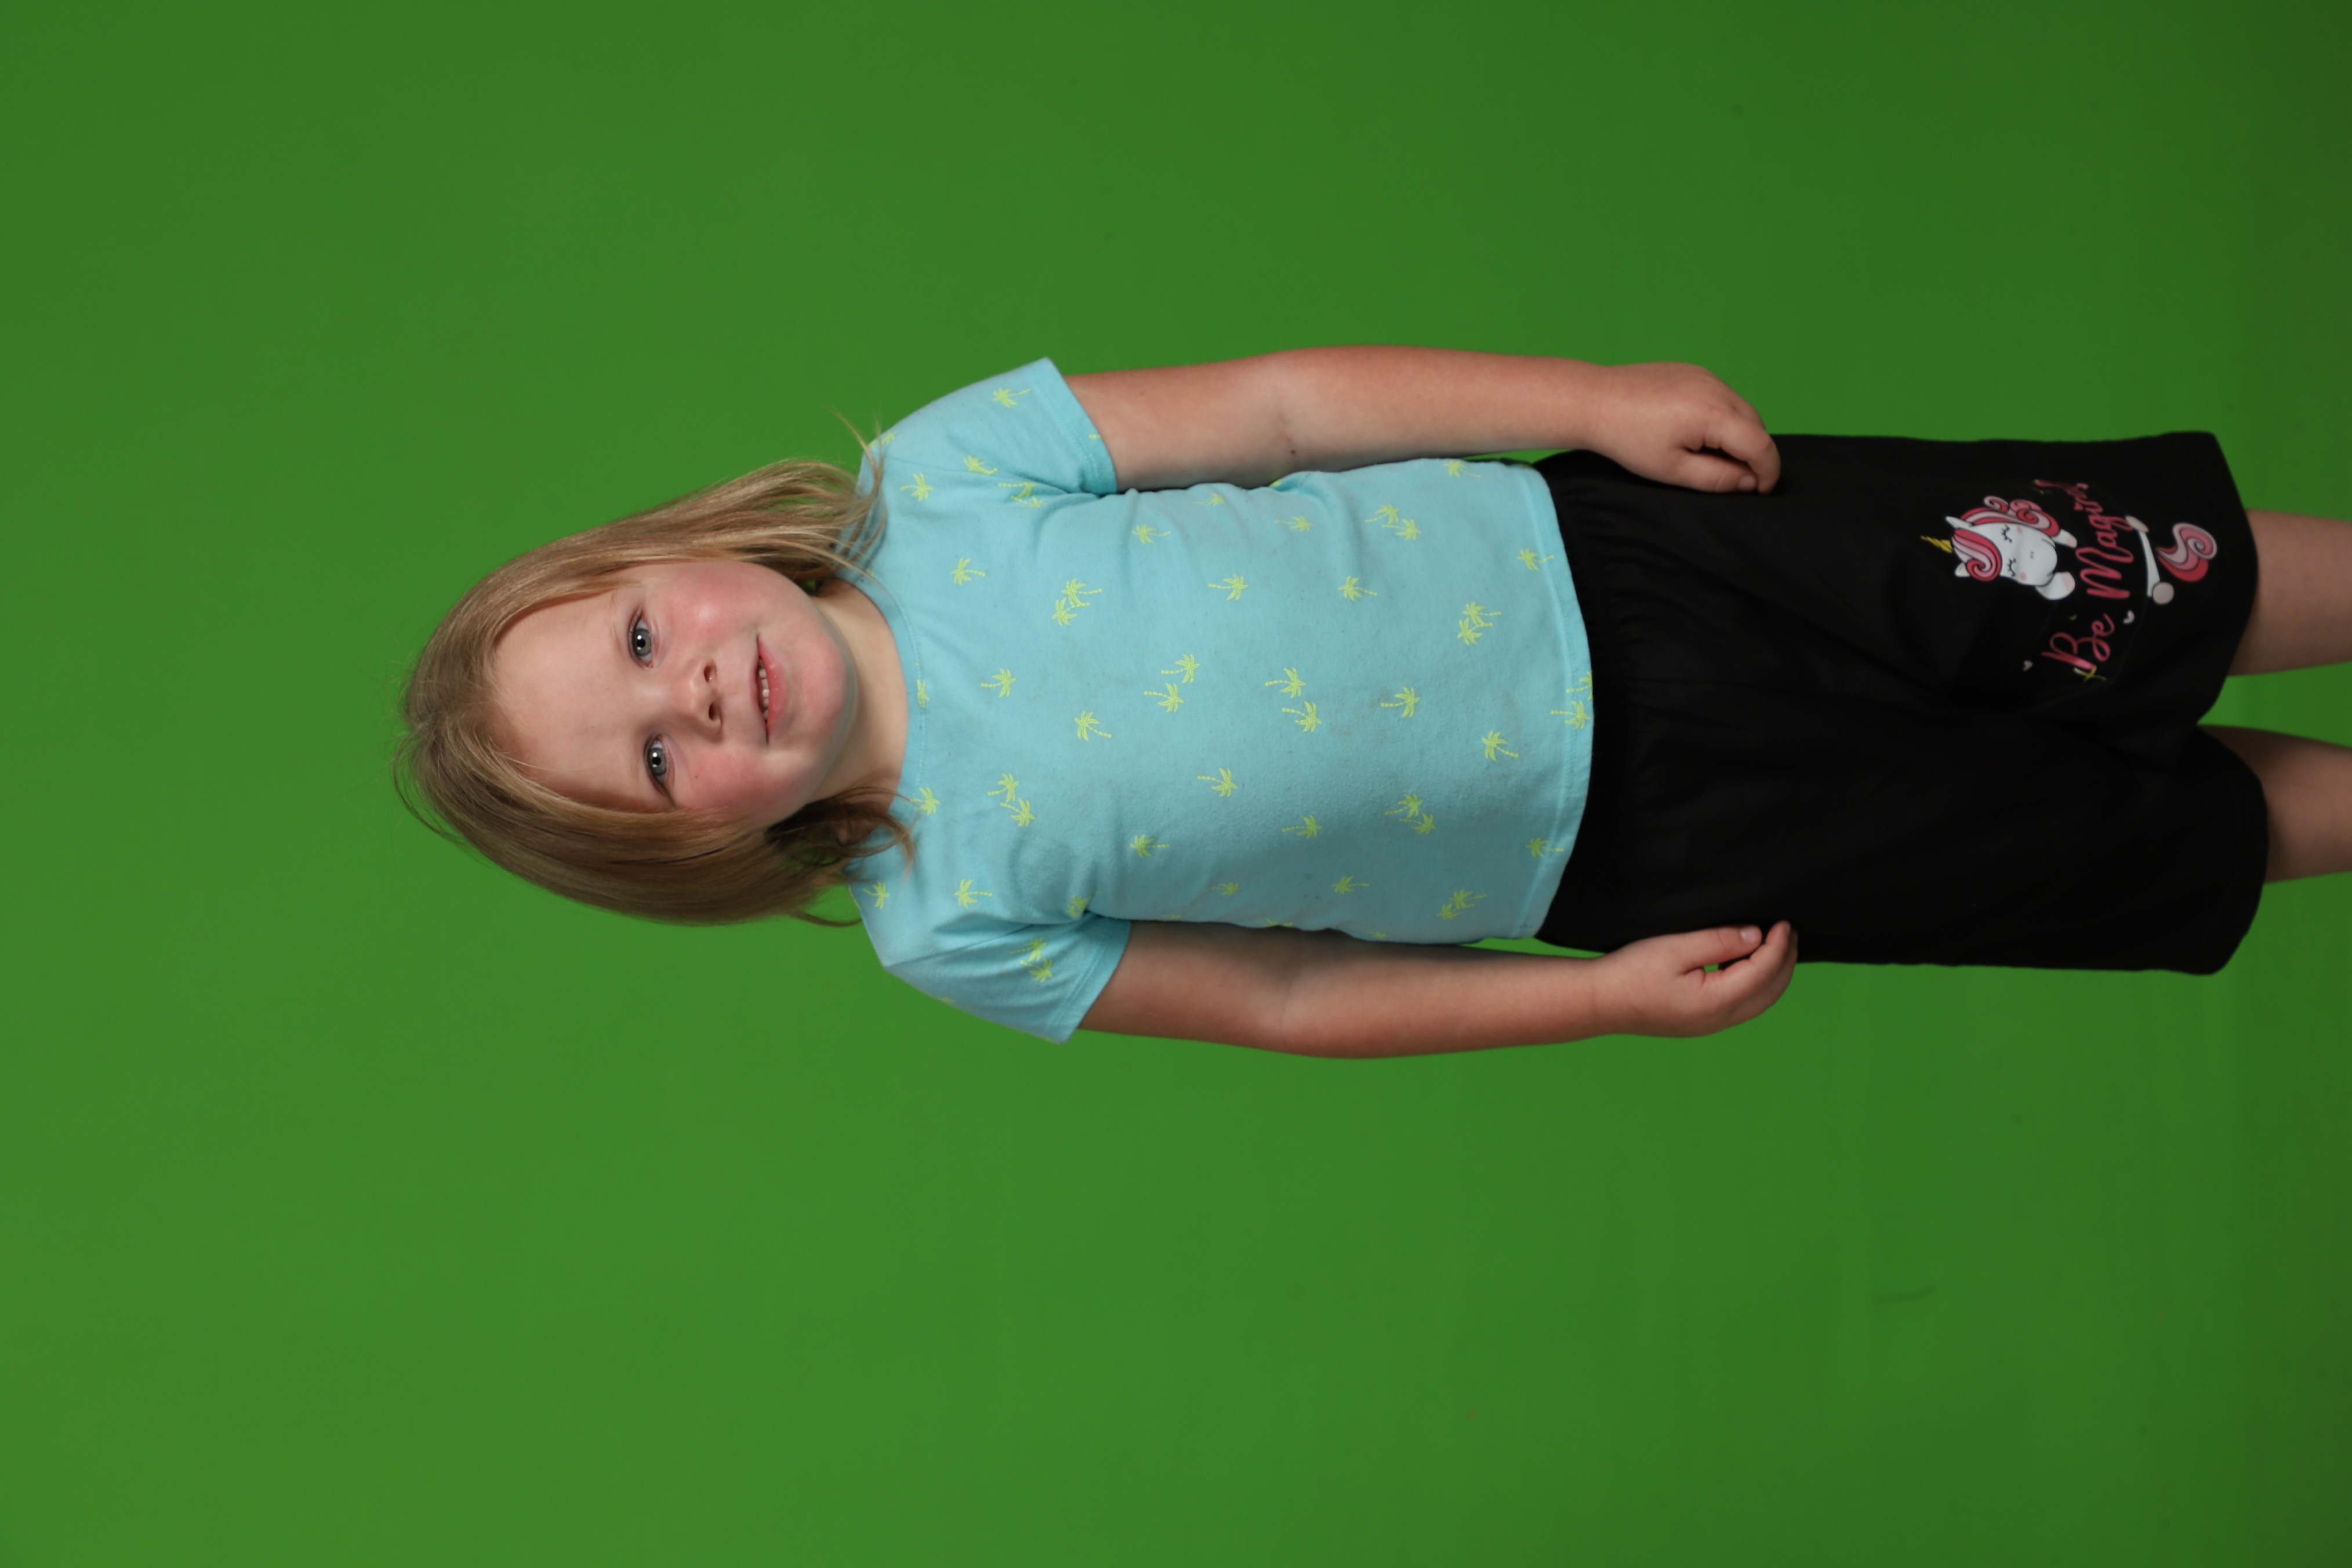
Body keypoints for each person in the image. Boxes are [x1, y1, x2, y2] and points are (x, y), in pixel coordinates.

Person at [397, 349, 2352, 1058]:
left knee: (2123, 576)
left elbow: (1282, 409)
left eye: (642, 640)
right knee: (2107, 838)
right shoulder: (946, 915)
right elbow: (1282, 997)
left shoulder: (944, 478)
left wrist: (1582, 402)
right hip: (1646, 839)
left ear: (668, 554)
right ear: (697, 850)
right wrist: (1589, 999)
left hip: (1642, 560)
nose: (698, 690)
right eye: (653, 762)